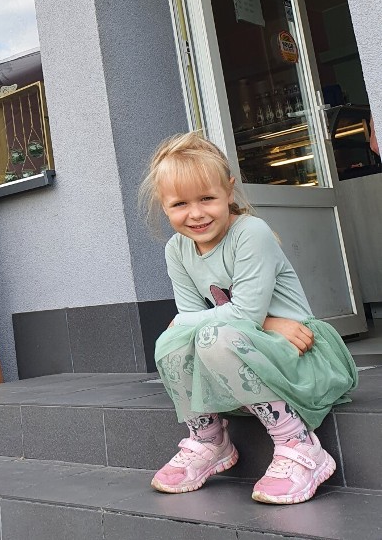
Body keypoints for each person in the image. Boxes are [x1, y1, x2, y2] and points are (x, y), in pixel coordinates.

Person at [140, 132, 358, 505]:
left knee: (202, 334)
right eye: (180, 204)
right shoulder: (177, 249)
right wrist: (265, 321)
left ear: (229, 190)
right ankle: (210, 440)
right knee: (170, 342)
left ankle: (299, 444)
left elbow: (213, 318)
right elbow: (198, 318)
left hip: (300, 351)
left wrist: (193, 322)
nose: (196, 213)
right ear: (163, 205)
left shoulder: (249, 232)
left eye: (207, 198)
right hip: (252, 341)